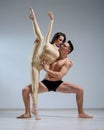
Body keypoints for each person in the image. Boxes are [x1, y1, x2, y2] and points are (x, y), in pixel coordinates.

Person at [17, 41, 93, 120]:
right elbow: (42, 52)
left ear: (68, 50)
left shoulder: (67, 62)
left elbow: (60, 75)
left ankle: (81, 113)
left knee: (80, 90)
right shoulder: (53, 55)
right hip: (45, 83)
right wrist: (37, 44)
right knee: (25, 90)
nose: (61, 45)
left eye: (64, 45)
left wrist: (47, 70)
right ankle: (27, 113)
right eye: (62, 43)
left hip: (58, 84)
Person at [29, 7, 66, 120]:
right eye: (60, 39)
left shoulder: (58, 53)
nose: (61, 42)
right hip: (35, 59)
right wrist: (51, 20)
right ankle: (33, 19)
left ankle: (34, 110)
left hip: (39, 67)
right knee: (41, 38)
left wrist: (48, 69)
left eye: (63, 41)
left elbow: (59, 60)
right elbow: (48, 32)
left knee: (35, 88)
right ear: (55, 39)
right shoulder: (48, 44)